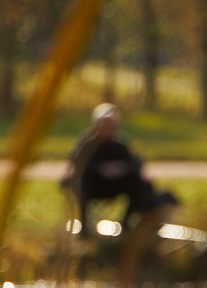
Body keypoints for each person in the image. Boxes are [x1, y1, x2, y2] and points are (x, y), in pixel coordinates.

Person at [63, 102, 176, 237]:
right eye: (104, 125)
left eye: (111, 126)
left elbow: (135, 162)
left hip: (114, 185)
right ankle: (84, 230)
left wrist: (121, 168)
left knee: (138, 183)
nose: (108, 129)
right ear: (96, 125)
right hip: (92, 185)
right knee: (81, 183)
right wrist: (101, 168)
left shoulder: (119, 142)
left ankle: (127, 224)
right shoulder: (87, 143)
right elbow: (76, 162)